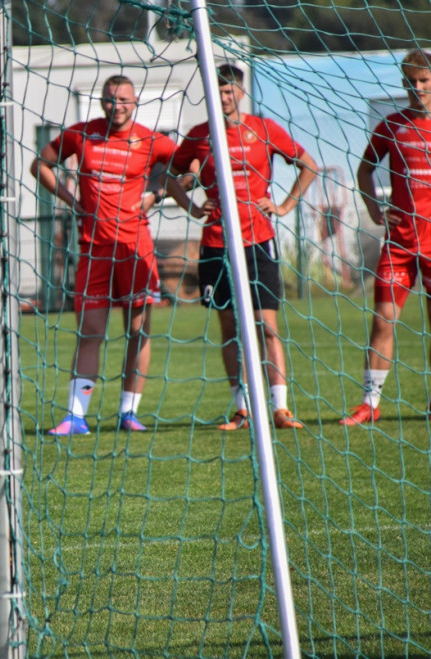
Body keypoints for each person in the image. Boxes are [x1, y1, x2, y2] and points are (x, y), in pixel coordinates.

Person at [166, 64, 317, 430]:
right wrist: (191, 207)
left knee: (266, 326)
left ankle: (280, 408)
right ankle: (242, 408)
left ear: (241, 92)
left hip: (259, 242)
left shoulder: (264, 129)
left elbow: (308, 165)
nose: (223, 96)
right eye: (217, 91)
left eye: (229, 90)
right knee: (231, 327)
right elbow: (171, 179)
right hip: (217, 244)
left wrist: (282, 206)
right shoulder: (199, 135)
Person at [31, 75, 177, 434]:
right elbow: (40, 165)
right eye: (111, 99)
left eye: (124, 99)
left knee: (138, 331)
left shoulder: (152, 140)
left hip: (135, 248)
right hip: (93, 249)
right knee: (90, 332)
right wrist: (73, 202)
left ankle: (129, 413)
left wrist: (155, 194)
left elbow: (188, 171)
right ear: (101, 101)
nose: (118, 106)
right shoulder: (81, 134)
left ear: (136, 100)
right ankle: (76, 417)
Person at [341, 49, 431, 426]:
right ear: (402, 83)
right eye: (411, 81)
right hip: (400, 243)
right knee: (383, 320)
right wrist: (374, 208)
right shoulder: (392, 126)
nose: (418, 88)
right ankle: (370, 403)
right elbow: (364, 171)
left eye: (424, 81)